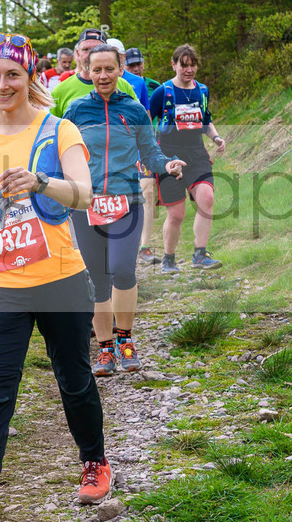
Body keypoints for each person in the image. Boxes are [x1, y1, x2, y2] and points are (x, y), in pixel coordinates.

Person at [0, 32, 111, 522]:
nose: (2, 84)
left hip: (60, 280)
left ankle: (94, 462)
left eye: (12, 74)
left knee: (74, 379)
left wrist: (39, 181)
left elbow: (84, 194)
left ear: (29, 76)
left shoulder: (60, 130)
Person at [63, 45, 186, 377]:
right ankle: (105, 350)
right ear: (87, 71)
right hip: (87, 204)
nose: (103, 75)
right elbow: (61, 153)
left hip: (126, 201)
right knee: (97, 279)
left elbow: (150, 152)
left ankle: (125, 340)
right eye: (96, 69)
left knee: (122, 270)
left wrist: (167, 165)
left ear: (120, 70)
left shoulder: (134, 110)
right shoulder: (76, 110)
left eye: (109, 69)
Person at [148, 44, 226, 273]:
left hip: (197, 153)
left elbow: (206, 120)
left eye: (193, 65)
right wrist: (147, 152)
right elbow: (146, 121)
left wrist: (216, 137)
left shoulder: (202, 90)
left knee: (207, 199)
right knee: (176, 215)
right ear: (174, 65)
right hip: (168, 156)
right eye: (184, 65)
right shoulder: (162, 92)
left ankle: (200, 255)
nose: (189, 70)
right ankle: (169, 259)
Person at [125, 47, 165, 265]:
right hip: (118, 147)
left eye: (138, 64)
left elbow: (157, 115)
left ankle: (145, 247)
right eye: (131, 65)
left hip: (143, 144)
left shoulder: (152, 86)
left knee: (148, 190)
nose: (136, 68)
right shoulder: (114, 82)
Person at [50, 29, 138, 116]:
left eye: (97, 49)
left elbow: (139, 119)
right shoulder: (60, 91)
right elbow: (52, 125)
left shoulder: (123, 85)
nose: (91, 55)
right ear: (78, 53)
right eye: (86, 49)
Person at [105, 38, 149, 109]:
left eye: (117, 57)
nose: (113, 60)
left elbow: (145, 112)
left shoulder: (139, 81)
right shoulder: (97, 80)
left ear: (124, 56)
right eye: (108, 57)